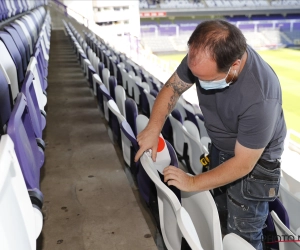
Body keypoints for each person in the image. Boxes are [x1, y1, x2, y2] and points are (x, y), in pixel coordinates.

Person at [134, 20, 286, 250]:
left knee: (242, 237)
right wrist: (153, 127)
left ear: (234, 65)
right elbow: (173, 88)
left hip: (254, 167)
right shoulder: (204, 56)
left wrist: (193, 181)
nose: (198, 83)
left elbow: (243, 164)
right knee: (222, 217)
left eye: (206, 79)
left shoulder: (261, 97)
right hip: (222, 148)